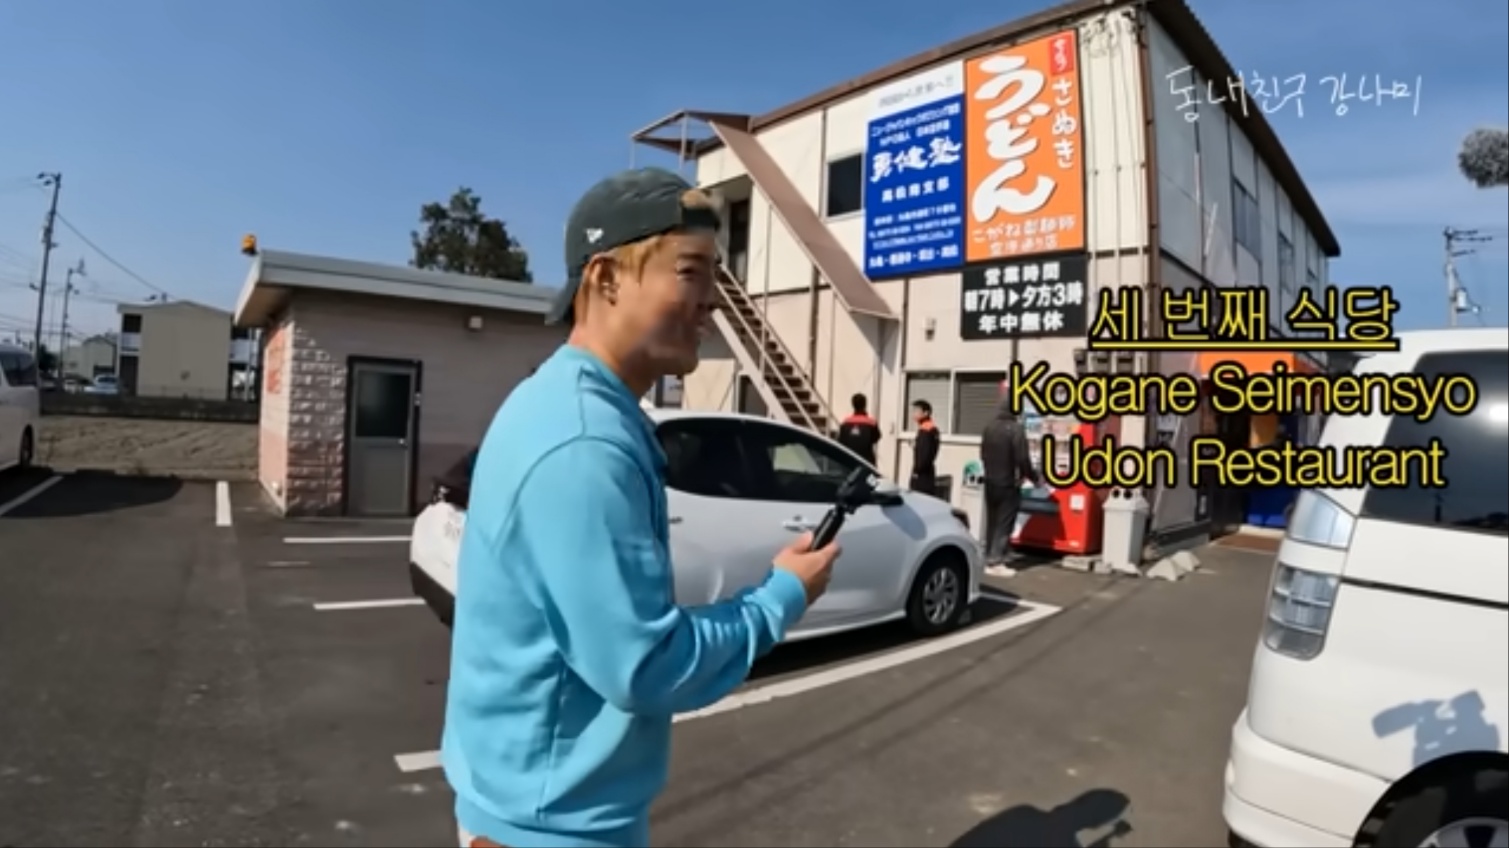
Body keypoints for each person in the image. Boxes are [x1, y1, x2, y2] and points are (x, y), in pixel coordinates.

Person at [441, 168, 842, 848]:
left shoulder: (566, 402)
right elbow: (645, 666)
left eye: (716, 277)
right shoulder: (584, 440)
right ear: (605, 279)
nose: (712, 301)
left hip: (529, 807)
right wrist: (780, 598)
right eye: (690, 272)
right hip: (549, 829)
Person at [979, 397, 1039, 576]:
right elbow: (1022, 458)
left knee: (992, 521)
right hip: (1008, 482)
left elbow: (982, 454)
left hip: (990, 480)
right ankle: (996, 561)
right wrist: (1033, 477)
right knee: (1005, 522)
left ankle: (990, 555)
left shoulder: (989, 427)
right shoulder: (1015, 429)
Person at [835, 393, 881, 466]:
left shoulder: (845, 423)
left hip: (849, 461)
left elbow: (841, 441)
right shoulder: (871, 423)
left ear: (853, 405)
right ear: (865, 405)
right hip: (867, 462)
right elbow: (876, 438)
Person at [909, 399, 940, 496]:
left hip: (922, 476)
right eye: (913, 411)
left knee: (918, 499)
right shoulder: (933, 428)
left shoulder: (925, 430)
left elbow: (924, 455)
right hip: (929, 473)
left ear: (926, 413)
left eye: (917, 411)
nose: (914, 414)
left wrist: (916, 472)